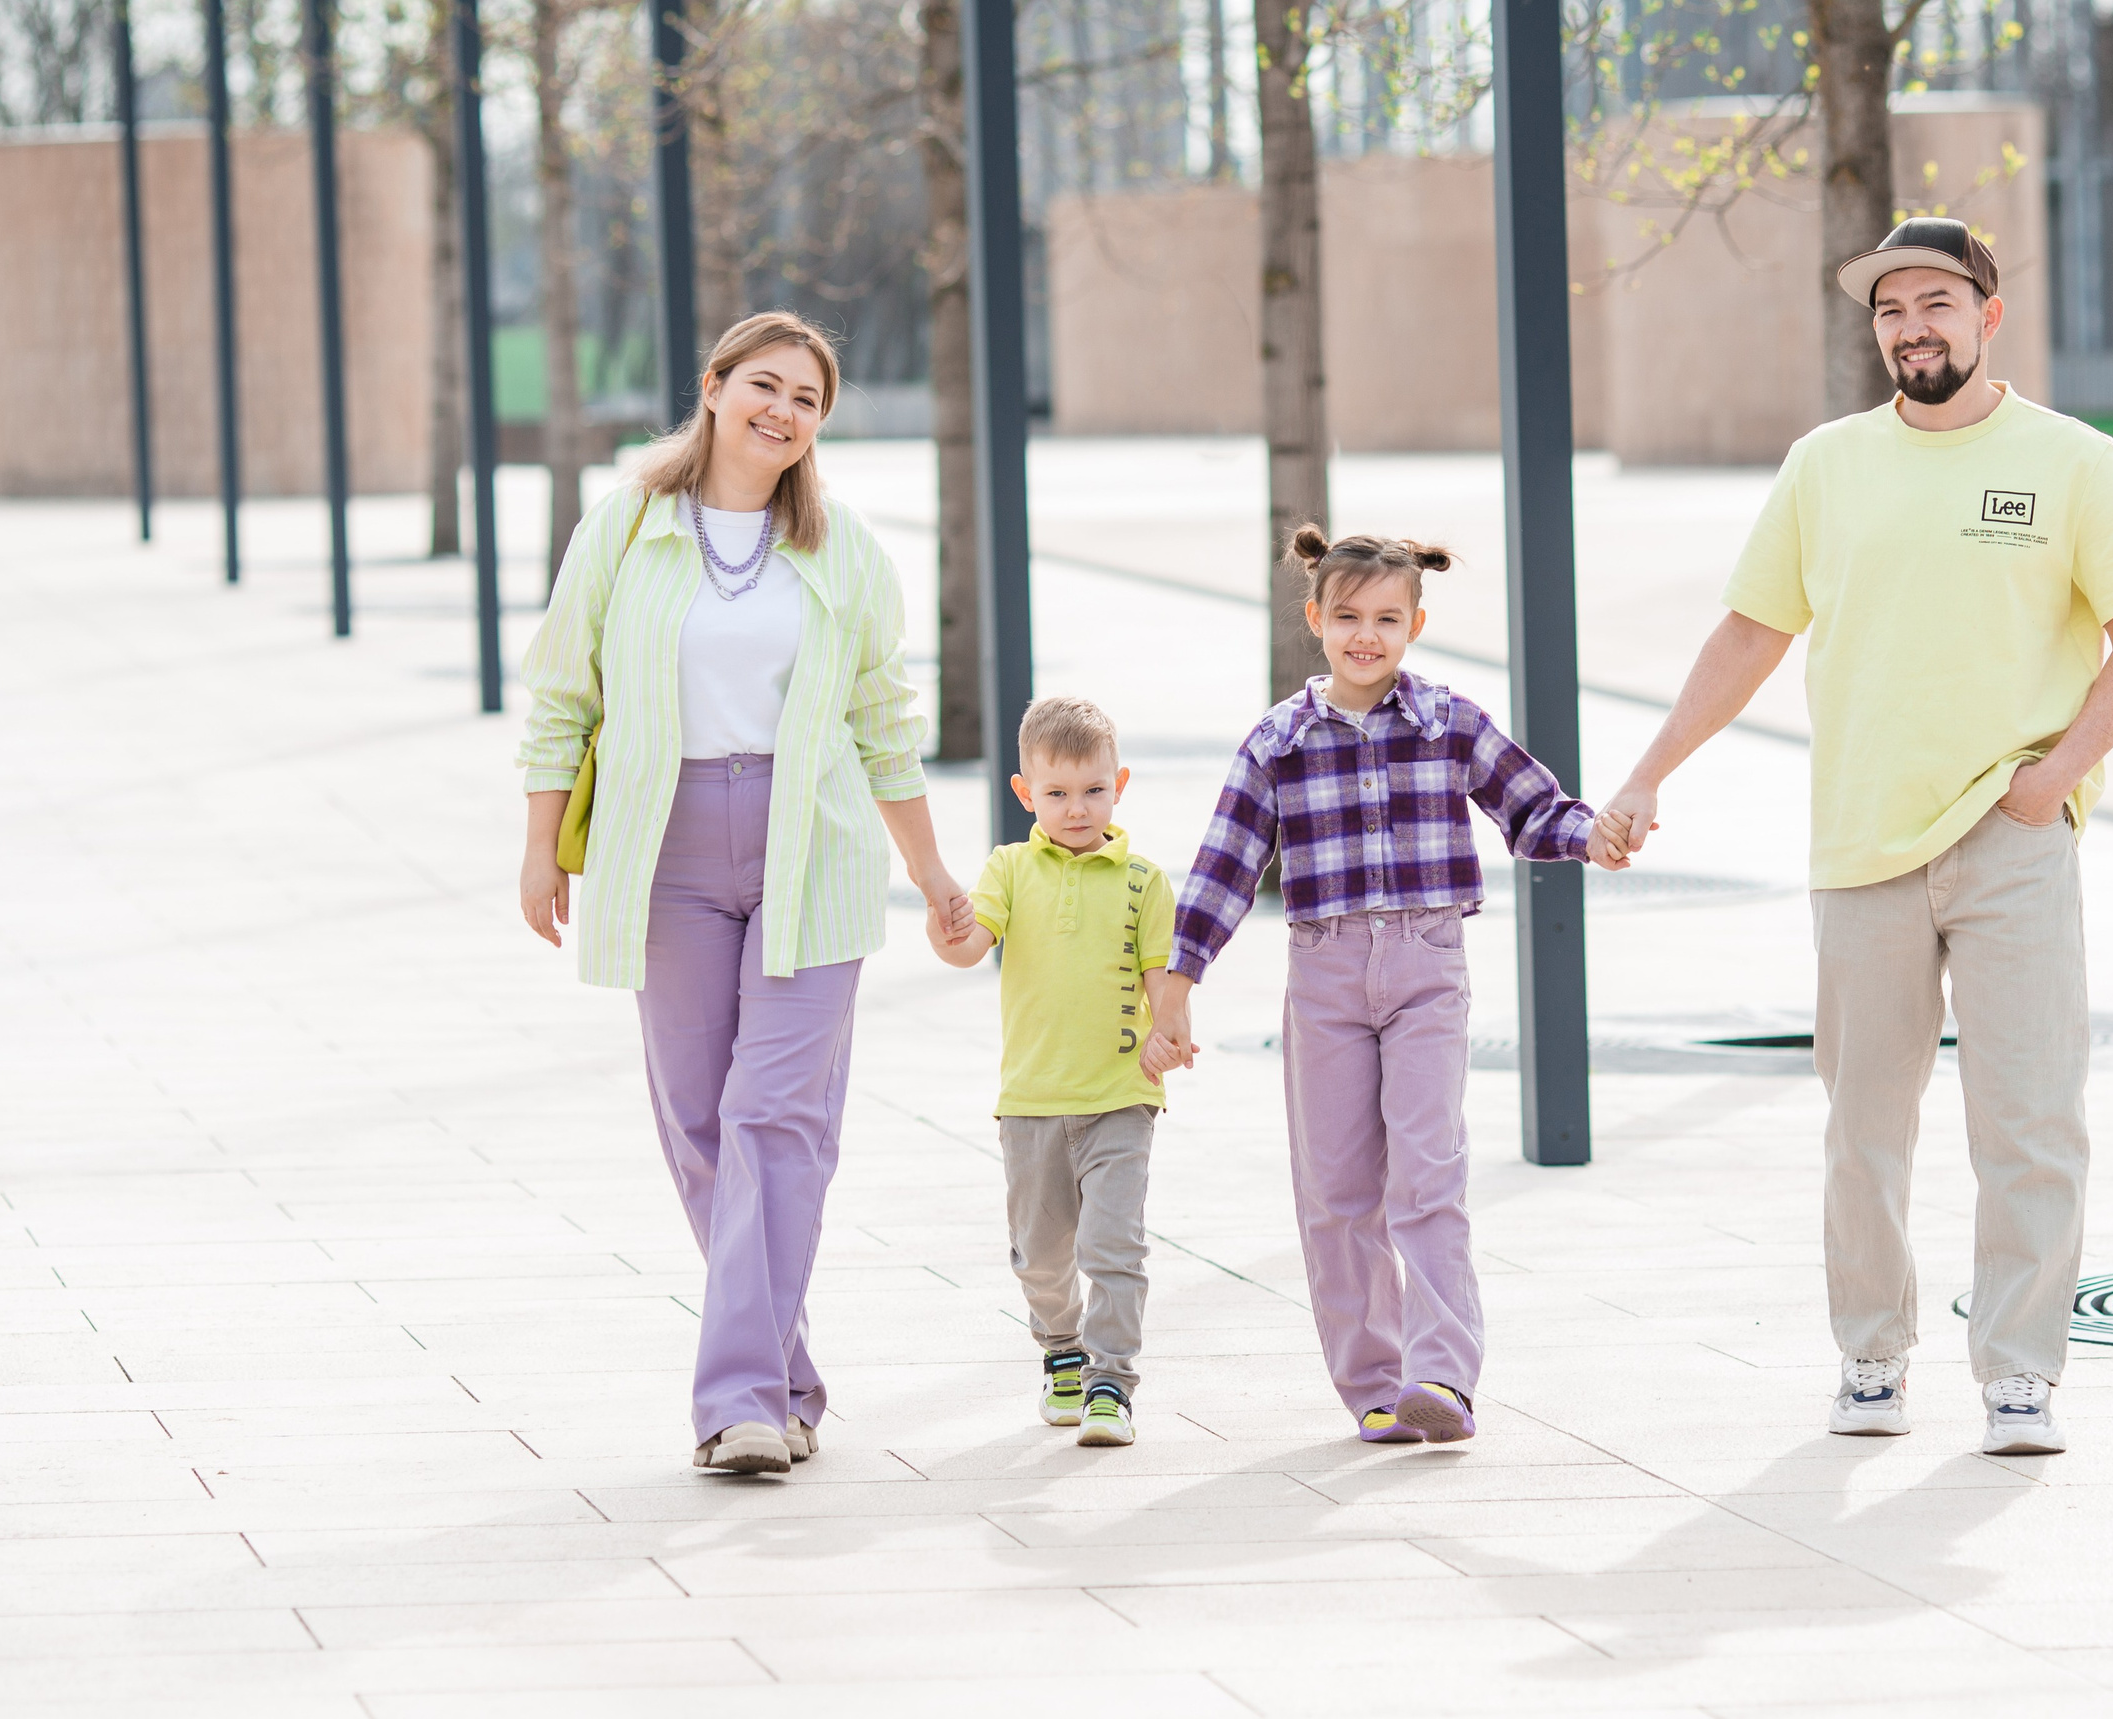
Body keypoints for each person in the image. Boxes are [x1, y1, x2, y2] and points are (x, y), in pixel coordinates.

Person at [1595, 218, 2113, 1456]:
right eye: (1889, 310)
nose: (1911, 328)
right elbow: (1749, 633)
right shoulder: (1826, 465)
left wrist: (2052, 780)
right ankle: (1871, 1357)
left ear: (1988, 316)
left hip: (2012, 834)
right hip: (1861, 843)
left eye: (1935, 304)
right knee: (1864, 1131)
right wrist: (1647, 774)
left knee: (2029, 1122)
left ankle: (2019, 1372)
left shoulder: (2071, 461)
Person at [514, 311, 973, 1476]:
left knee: (776, 1117)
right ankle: (786, 1377)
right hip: (663, 849)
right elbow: (563, 696)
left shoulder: (842, 549)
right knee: (701, 1129)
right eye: (764, 385)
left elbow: (883, 723)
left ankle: (736, 1405)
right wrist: (538, 848)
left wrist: (930, 874)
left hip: (809, 849)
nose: (782, 411)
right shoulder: (626, 527)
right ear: (713, 386)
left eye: (807, 399)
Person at [1146, 530, 1623, 1445]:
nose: (1367, 635)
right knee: (1337, 1189)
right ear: (1316, 618)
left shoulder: (1449, 721)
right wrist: (1179, 982)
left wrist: (1591, 834)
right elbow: (1222, 867)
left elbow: (1531, 808)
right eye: (1349, 616)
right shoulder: (1278, 741)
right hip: (1324, 975)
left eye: (1387, 619)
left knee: (1428, 1169)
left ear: (1415, 625)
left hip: (1425, 966)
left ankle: (1441, 1374)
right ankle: (1372, 1382)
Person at [928, 695, 1175, 1450]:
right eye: (1058, 792)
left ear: (1119, 785)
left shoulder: (1144, 880)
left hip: (1121, 1097)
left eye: (1094, 790)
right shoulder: (1009, 867)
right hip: (1031, 1102)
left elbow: (1162, 978)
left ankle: (1111, 1383)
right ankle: (1061, 1351)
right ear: (1025, 791)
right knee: (1039, 1255)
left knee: (1113, 1246)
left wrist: (1171, 1030)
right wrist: (946, 930)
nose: (1076, 808)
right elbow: (969, 948)